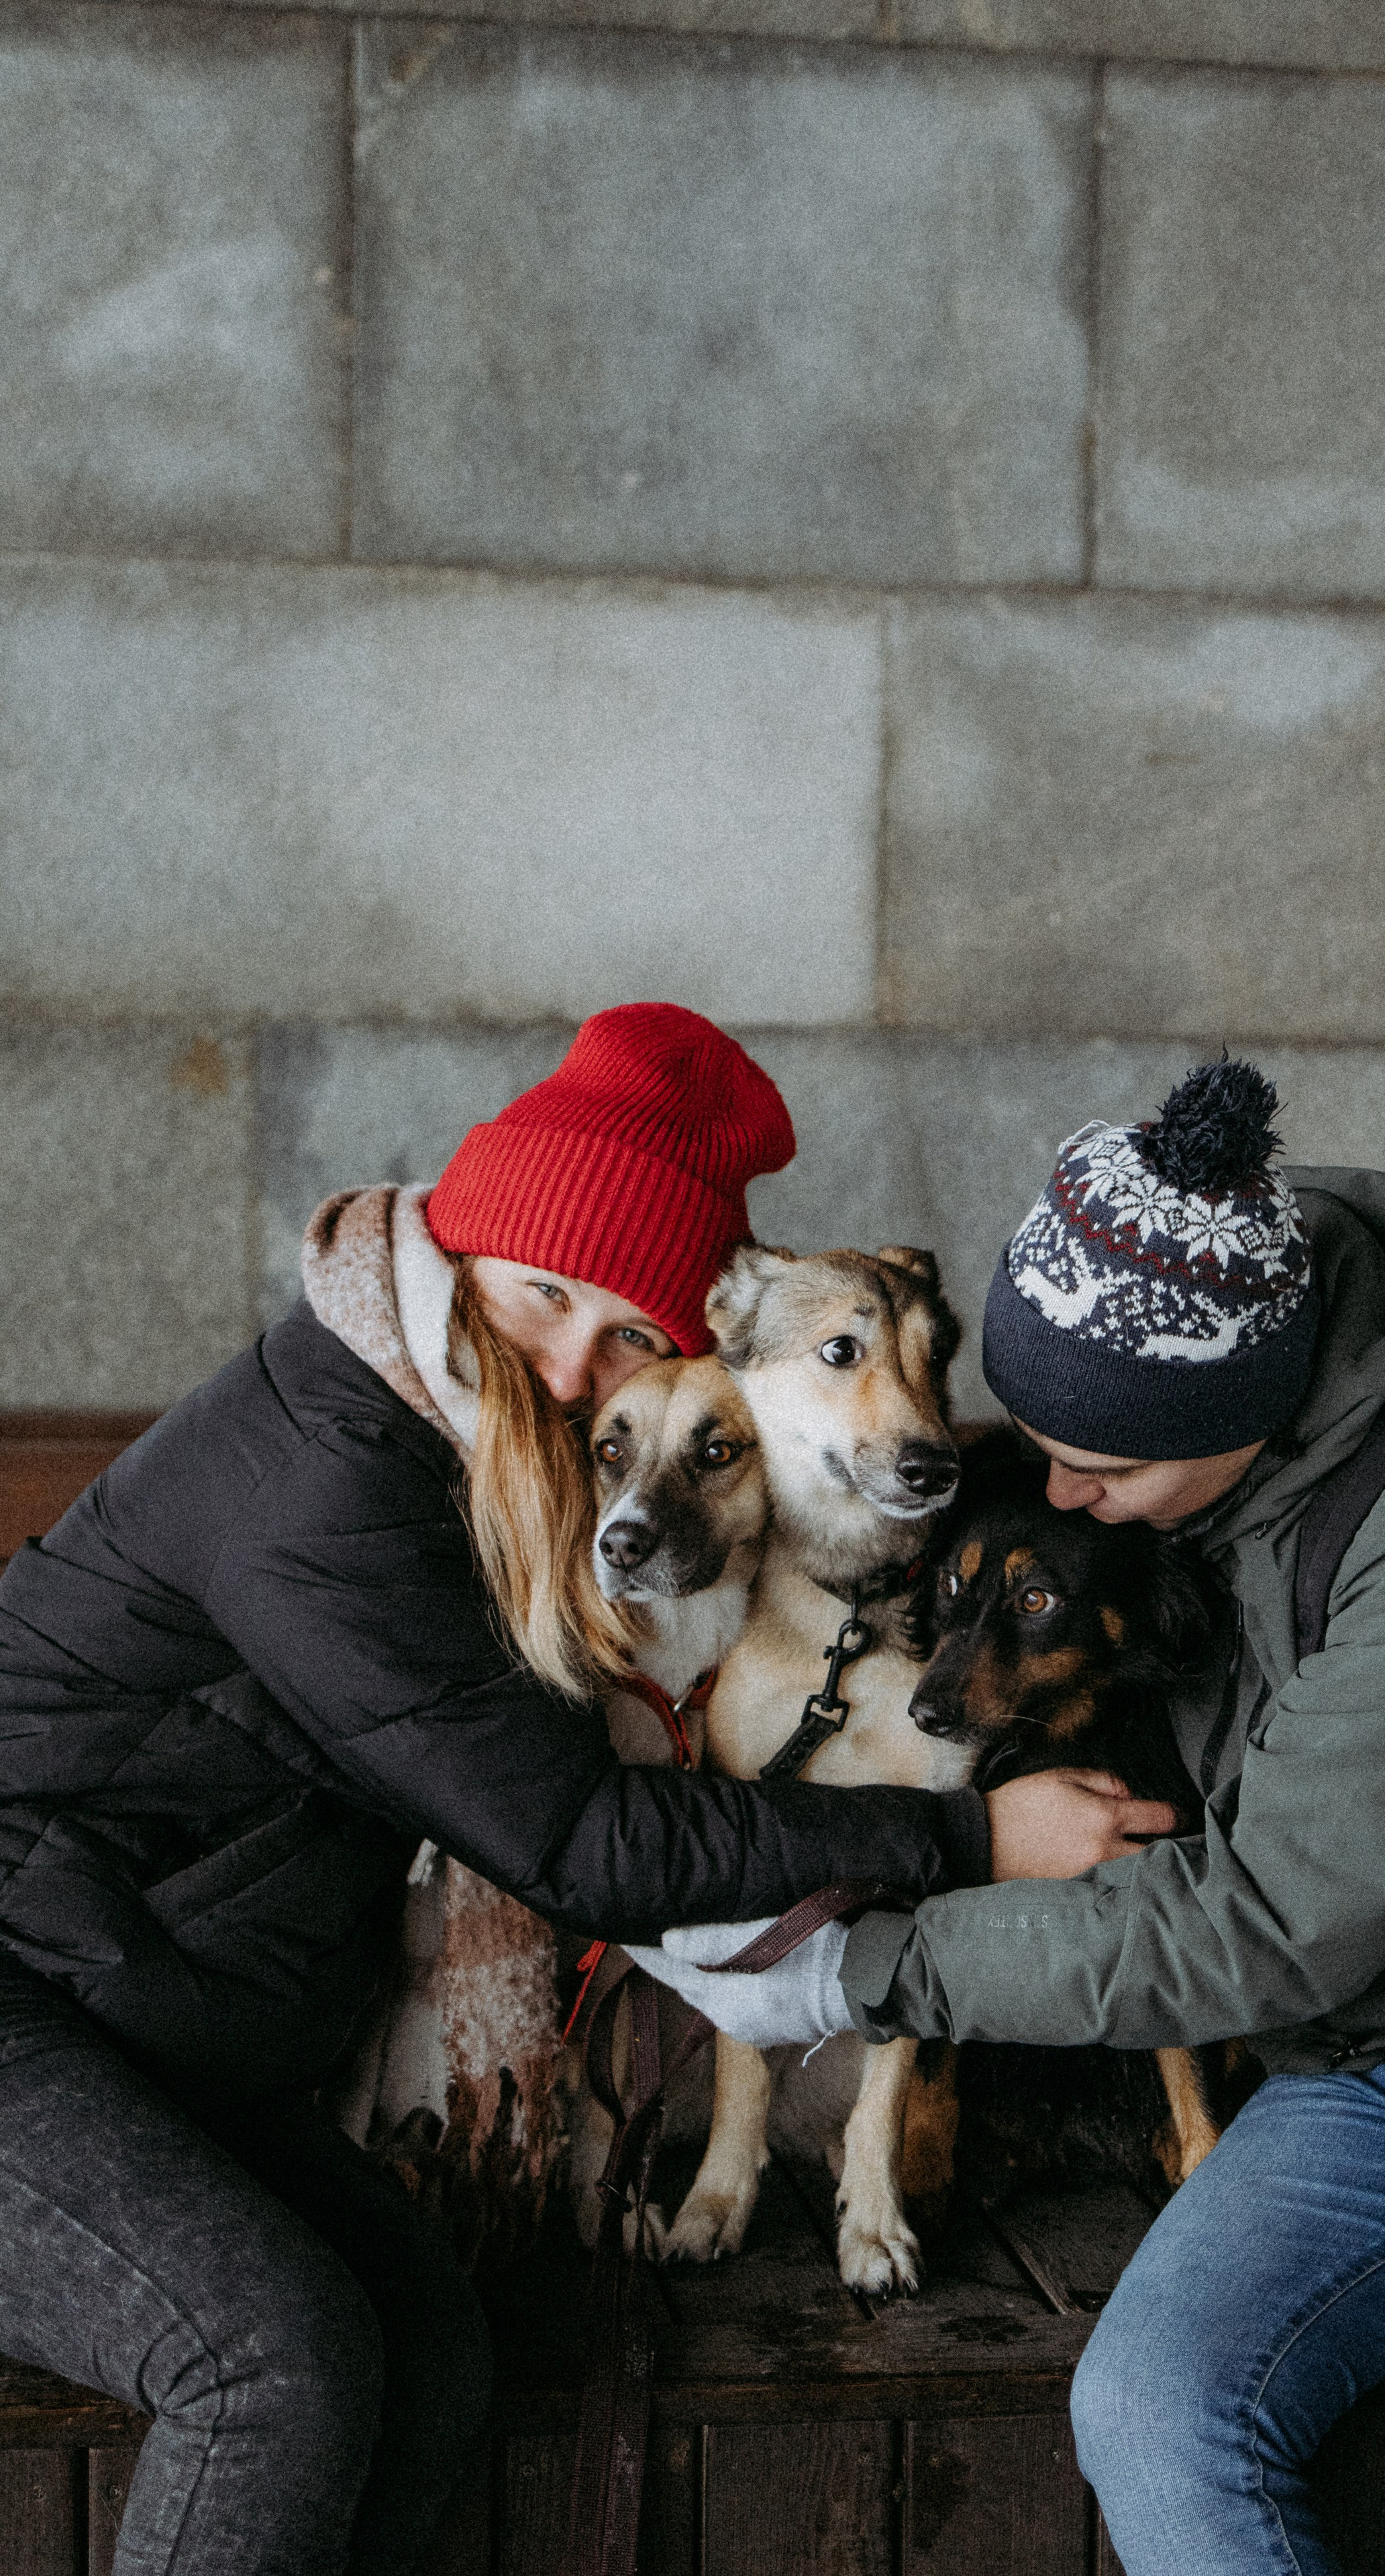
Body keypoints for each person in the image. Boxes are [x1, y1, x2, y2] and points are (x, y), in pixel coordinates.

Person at [0, 1002, 1153, 2576]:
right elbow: (577, 1841)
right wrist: (967, 1830)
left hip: (123, 1995)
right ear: (464, 1245)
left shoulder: (453, 1443)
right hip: (35, 1994)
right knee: (266, 2368)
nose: (567, 1364)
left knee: (432, 2345)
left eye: (625, 1333)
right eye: (545, 1295)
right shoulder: (324, 1472)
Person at [636, 1058, 1385, 2576]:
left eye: (1105, 1465)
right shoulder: (1212, 1486)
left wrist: (853, 1972)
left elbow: (1264, 1921)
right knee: (1149, 2407)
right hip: (1363, 2062)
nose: (1062, 1497)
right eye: (1047, 1445)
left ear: (1247, 1410)